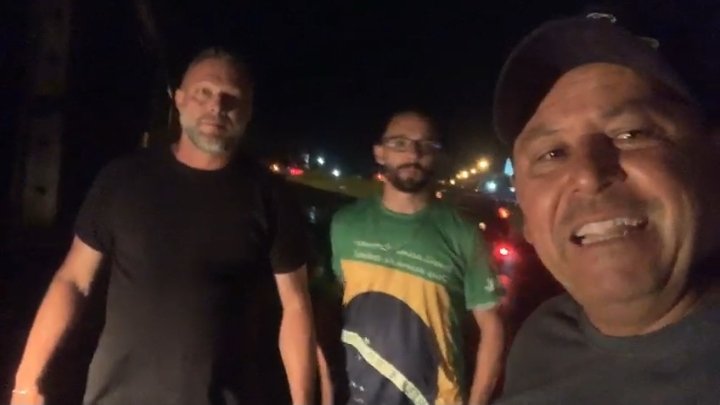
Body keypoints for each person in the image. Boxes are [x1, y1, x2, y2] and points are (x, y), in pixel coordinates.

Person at [10, 47, 316, 405]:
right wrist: (26, 382)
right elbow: (73, 280)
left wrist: (303, 400)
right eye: (204, 92)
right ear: (179, 100)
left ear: (247, 111)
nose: (216, 106)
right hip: (117, 397)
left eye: (231, 97)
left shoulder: (271, 197)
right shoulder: (123, 179)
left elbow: (296, 307)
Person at [492, 16, 720, 404]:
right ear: (525, 216)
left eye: (632, 134)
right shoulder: (540, 341)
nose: (588, 175)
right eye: (552, 154)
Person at [330, 110, 505, 405]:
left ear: (436, 156)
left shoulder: (463, 234)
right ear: (380, 153)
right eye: (400, 143)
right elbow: (338, 310)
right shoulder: (345, 224)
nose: (413, 154)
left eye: (425, 145)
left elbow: (492, 327)